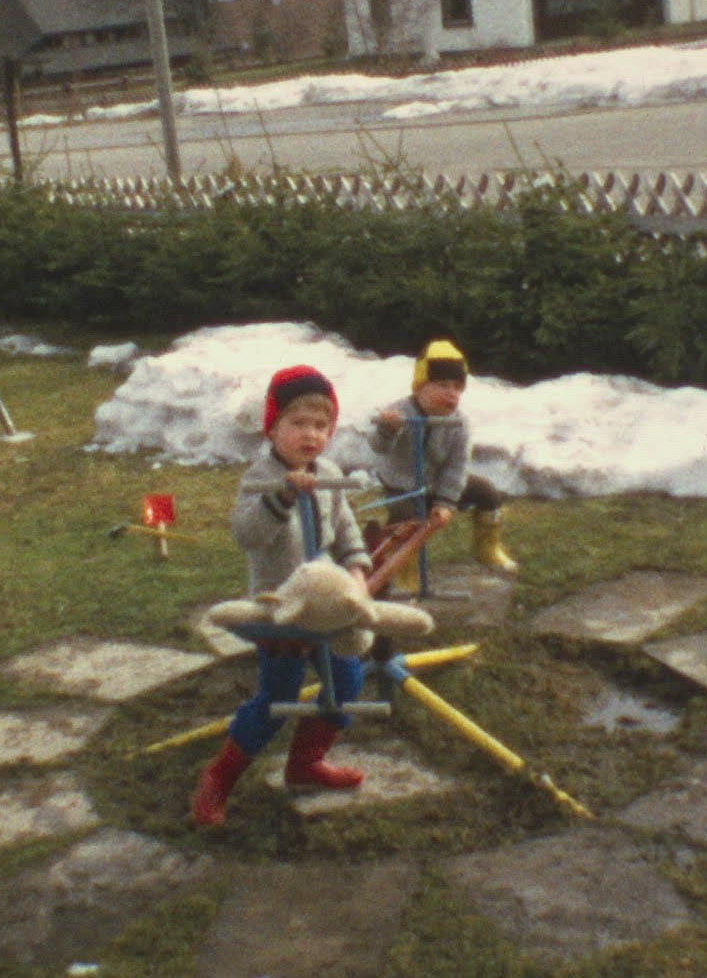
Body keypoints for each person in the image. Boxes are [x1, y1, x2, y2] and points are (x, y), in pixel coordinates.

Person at [192, 365, 376, 827]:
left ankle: (306, 763)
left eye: (321, 425)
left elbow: (346, 529)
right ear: (272, 428)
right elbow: (248, 534)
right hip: (281, 611)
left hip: (326, 605)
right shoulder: (260, 477)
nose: (310, 434)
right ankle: (220, 776)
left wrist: (357, 571)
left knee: (347, 682)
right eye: (298, 423)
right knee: (278, 697)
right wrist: (283, 497)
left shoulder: (329, 473)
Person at [368, 340, 519, 591]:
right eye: (442, 385)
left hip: (438, 482)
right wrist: (388, 429)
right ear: (420, 387)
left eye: (458, 388)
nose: (451, 393)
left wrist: (446, 502)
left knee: (487, 493)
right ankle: (405, 569)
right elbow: (379, 447)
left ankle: (486, 547)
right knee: (405, 520)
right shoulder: (398, 413)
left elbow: (457, 466)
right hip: (402, 485)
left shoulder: (459, 424)